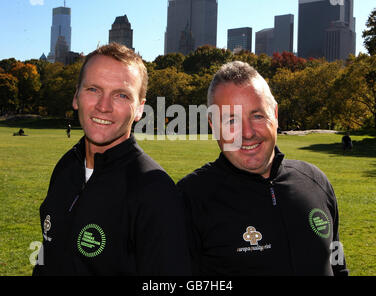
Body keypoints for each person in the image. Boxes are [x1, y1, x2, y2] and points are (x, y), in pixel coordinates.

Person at [177, 61, 348, 276]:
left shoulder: (316, 182)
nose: (247, 133)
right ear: (213, 125)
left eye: (257, 116)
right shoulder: (189, 199)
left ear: (275, 114)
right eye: (231, 120)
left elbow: (338, 266)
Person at [33, 43, 190, 276]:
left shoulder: (154, 190)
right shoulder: (66, 166)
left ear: (139, 109)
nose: (103, 106)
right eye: (93, 89)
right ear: (76, 97)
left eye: (121, 95)